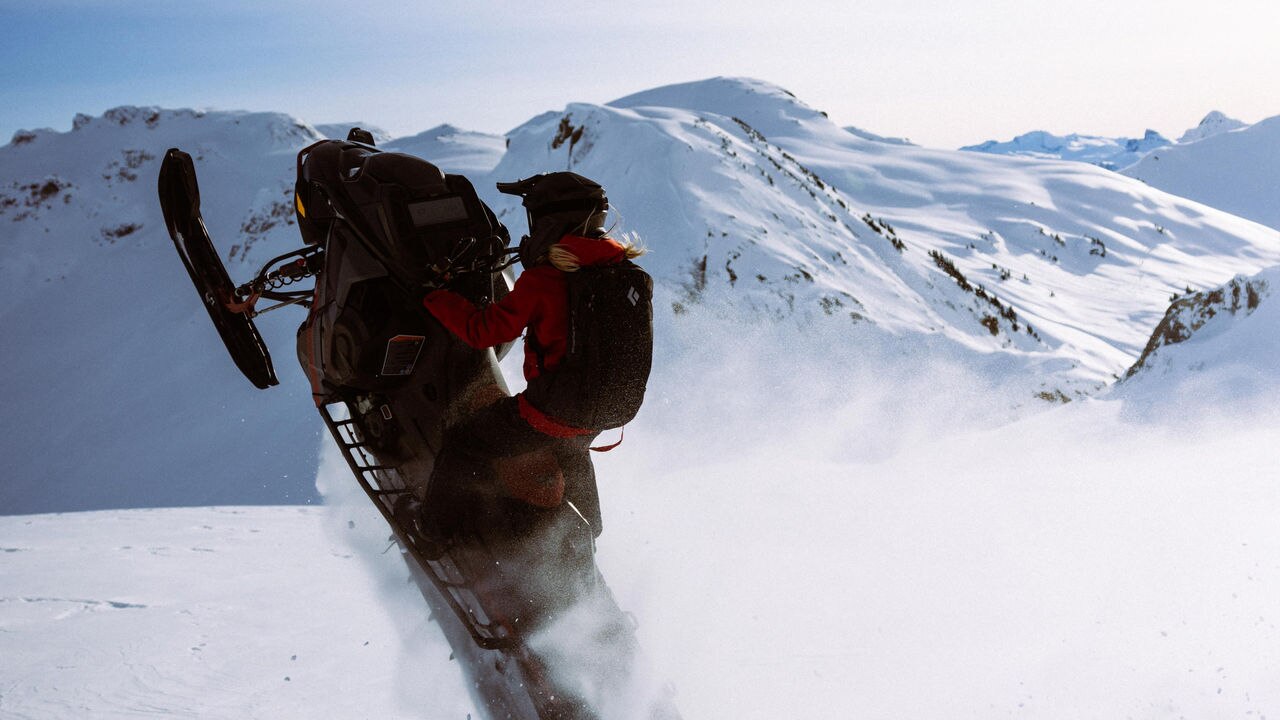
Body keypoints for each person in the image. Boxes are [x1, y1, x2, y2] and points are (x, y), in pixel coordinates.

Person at [406, 171, 645, 548]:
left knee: (463, 443)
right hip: (604, 413)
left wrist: (436, 295)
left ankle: (432, 534)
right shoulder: (629, 275)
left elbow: (483, 331)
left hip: (552, 412)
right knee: (571, 446)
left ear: (550, 223)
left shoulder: (545, 280)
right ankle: (590, 535)